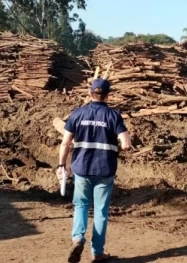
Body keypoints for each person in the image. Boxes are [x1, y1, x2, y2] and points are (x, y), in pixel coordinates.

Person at [57, 78, 132, 263]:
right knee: (101, 211)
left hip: (81, 168)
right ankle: (97, 252)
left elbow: (65, 142)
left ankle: (77, 239)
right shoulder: (114, 116)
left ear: (90, 93)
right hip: (105, 169)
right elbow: (127, 144)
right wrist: (118, 147)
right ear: (108, 95)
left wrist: (61, 165)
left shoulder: (78, 114)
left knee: (81, 205)